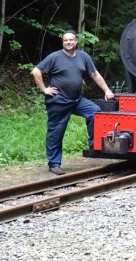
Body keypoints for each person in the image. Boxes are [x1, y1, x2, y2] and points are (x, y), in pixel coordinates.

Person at [32, 30, 114, 175]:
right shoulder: (55, 57)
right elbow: (36, 71)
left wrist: (106, 90)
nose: (68, 42)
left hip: (77, 99)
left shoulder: (83, 56)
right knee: (56, 132)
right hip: (58, 100)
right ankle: (54, 164)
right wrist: (44, 89)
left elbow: (94, 74)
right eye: (65, 41)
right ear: (63, 42)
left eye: (71, 40)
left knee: (95, 112)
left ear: (76, 41)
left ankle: (94, 145)